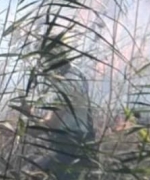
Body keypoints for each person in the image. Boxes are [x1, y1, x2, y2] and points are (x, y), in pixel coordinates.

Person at [22, 36, 97, 180]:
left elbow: (53, 122)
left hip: (71, 147)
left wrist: (26, 123)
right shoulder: (75, 74)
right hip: (76, 144)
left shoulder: (68, 81)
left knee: (33, 173)